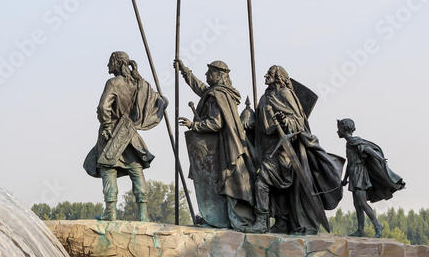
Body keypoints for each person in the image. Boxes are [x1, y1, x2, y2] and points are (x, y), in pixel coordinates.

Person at [251, 65, 343, 234]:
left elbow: (299, 122)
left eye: (270, 74)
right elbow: (259, 122)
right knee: (279, 189)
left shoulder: (285, 94)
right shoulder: (264, 97)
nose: (265, 76)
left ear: (279, 77)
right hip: (267, 148)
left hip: (284, 149)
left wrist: (285, 121)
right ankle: (282, 222)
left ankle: (261, 222)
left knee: (262, 181)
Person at [176, 60, 259, 232]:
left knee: (228, 181)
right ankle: (217, 220)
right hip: (222, 145)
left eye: (209, 73)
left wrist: (194, 125)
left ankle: (232, 220)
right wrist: (185, 71)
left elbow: (217, 123)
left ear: (219, 75)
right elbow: (200, 87)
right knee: (221, 182)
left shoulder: (218, 95)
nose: (206, 76)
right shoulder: (218, 93)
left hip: (225, 146)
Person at [83, 51, 165, 222]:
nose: (107, 65)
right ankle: (143, 215)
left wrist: (106, 125)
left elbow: (102, 107)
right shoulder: (139, 84)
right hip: (130, 134)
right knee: (136, 170)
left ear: (117, 63)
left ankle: (110, 211)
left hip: (112, 132)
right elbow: (160, 101)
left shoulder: (113, 83)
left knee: (108, 169)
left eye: (110, 62)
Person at [336, 118, 405, 238]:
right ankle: (360, 230)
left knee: (362, 202)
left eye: (338, 129)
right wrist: (345, 178)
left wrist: (380, 158)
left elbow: (367, 150)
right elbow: (350, 162)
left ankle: (377, 225)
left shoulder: (354, 141)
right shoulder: (349, 143)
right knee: (356, 204)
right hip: (353, 173)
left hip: (359, 174)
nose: (337, 132)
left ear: (344, 128)